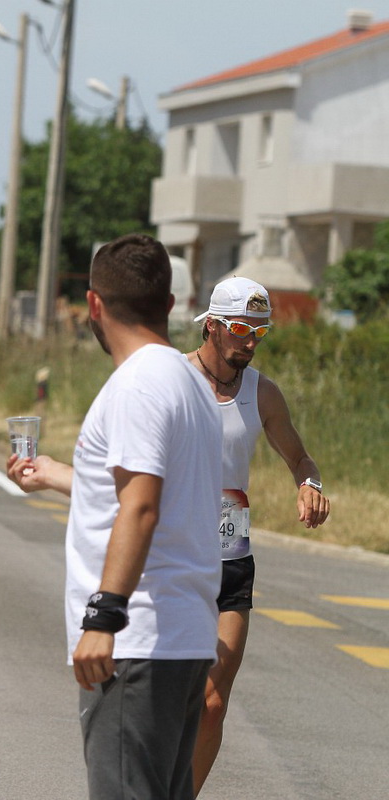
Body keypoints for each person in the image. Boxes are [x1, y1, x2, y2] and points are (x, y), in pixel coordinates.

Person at [6, 234, 223, 800]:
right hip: (183, 636)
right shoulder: (188, 381)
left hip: (138, 640)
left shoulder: (138, 385)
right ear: (170, 305)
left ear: (93, 305)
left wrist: (104, 618)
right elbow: (152, 497)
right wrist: (59, 477)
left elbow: (143, 508)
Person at [186, 277, 329, 796]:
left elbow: (300, 456)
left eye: (259, 333)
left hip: (230, 551)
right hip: (175, 557)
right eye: (242, 330)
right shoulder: (175, 380)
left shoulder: (262, 392)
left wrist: (308, 483)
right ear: (213, 324)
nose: (249, 342)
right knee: (163, 697)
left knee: (213, 701)